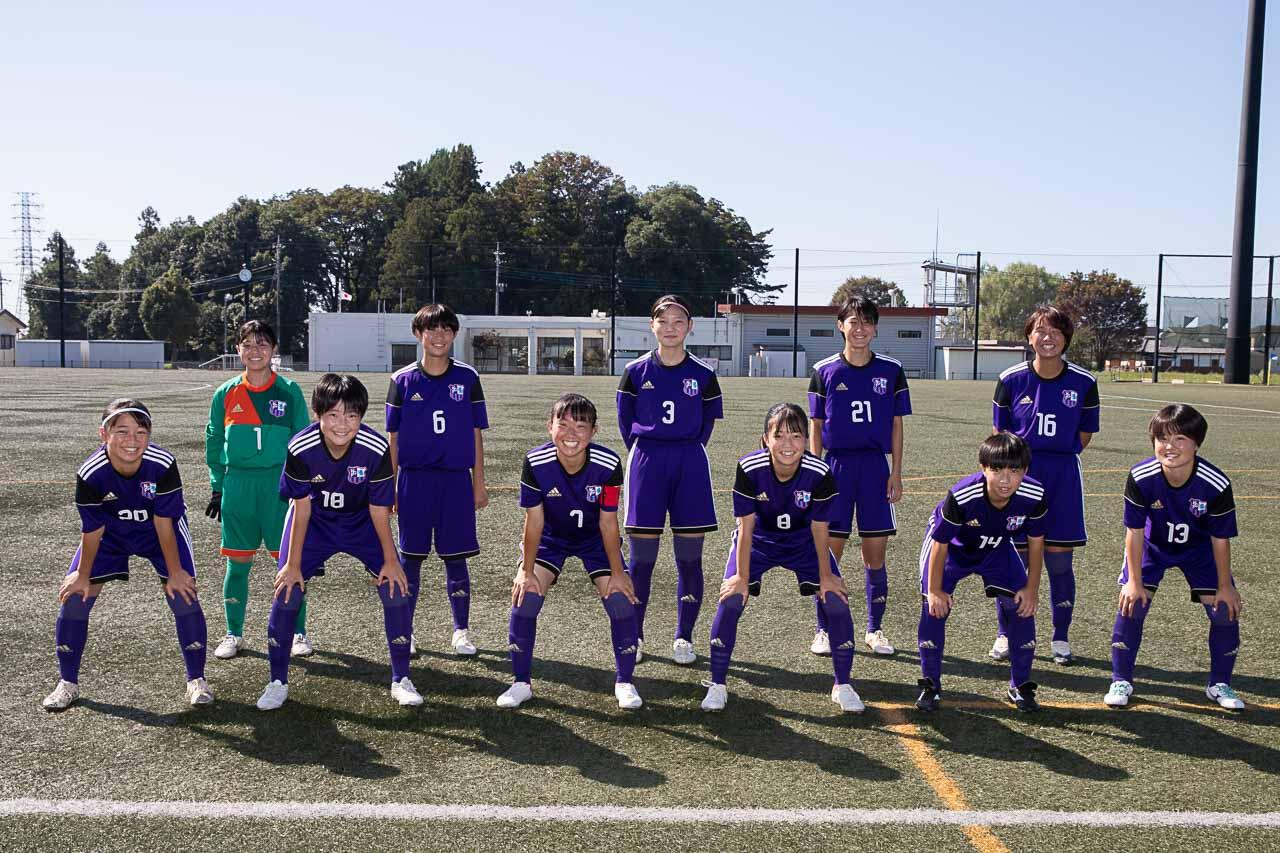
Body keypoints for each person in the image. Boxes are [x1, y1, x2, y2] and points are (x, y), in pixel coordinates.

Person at [256, 374, 414, 710]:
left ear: (361, 417)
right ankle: (277, 681)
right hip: (314, 523)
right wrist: (293, 565)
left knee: (396, 586)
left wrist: (389, 560)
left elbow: (378, 508)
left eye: (351, 415)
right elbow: (301, 508)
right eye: (333, 415)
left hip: (361, 521)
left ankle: (401, 677)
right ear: (317, 413)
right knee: (287, 591)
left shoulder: (376, 448)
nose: (342, 424)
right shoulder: (301, 446)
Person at [43, 399, 212, 711]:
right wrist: (82, 575)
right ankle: (67, 682)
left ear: (149, 434)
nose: (132, 440)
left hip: (159, 531)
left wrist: (175, 572)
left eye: (140, 431)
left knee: (183, 592)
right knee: (75, 597)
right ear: (103, 434)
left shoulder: (162, 464)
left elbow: (164, 522)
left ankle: (197, 680)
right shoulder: (90, 473)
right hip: (110, 533)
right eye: (121, 431)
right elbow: (92, 529)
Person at [702, 403, 864, 713]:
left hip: (803, 541)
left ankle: (843, 684)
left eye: (796, 435)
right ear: (765, 439)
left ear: (806, 440)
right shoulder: (749, 468)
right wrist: (741, 577)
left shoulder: (820, 472)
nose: (788, 444)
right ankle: (718, 684)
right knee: (731, 600)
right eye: (779, 435)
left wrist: (826, 577)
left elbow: (820, 529)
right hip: (760, 540)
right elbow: (745, 527)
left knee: (836, 602)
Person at [499, 393, 643, 710]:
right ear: (549, 427)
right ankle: (521, 682)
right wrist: (525, 571)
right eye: (563, 424)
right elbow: (534, 521)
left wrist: (618, 574)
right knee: (526, 599)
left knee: (621, 602)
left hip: (594, 537)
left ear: (593, 431)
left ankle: (625, 682)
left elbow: (608, 524)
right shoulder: (536, 461)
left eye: (581, 426)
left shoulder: (608, 464)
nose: (571, 434)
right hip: (552, 536)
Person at [1105, 404, 1243, 710]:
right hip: (1153, 546)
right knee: (1133, 602)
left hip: (1200, 550)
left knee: (1224, 610)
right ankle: (1121, 679)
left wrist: (1225, 586)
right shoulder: (1141, 477)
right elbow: (1135, 532)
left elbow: (1220, 539)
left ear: (1196, 443)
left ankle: (1220, 684)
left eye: (1180, 439)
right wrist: (1133, 582)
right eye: (1162, 438)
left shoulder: (1215, 483)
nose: (1170, 447)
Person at [616, 294, 723, 665]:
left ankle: (684, 637)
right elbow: (624, 420)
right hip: (647, 460)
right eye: (664, 321)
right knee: (641, 560)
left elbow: (708, 422)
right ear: (653, 326)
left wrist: (685, 447)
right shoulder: (635, 372)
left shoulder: (705, 375)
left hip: (690, 461)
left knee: (689, 559)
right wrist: (647, 450)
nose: (671, 328)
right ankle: (636, 634)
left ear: (689, 327)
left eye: (679, 322)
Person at [989, 305, 1099, 665]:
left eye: (1055, 331)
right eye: (1040, 330)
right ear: (1029, 336)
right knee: (1014, 561)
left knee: (1059, 562)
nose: (1047, 337)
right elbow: (1000, 434)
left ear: (1066, 337)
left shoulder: (1084, 382)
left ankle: (1061, 638)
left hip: (1062, 478)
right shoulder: (1010, 380)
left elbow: (1084, 434)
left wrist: (1057, 456)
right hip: (1020, 479)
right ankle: (1007, 634)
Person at [806, 295, 910, 657]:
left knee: (874, 554)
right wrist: (814, 473)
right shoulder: (824, 371)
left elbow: (896, 425)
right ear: (841, 326)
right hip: (835, 467)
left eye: (866, 321)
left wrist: (895, 471)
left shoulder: (891, 371)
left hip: (874, 467)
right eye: (853, 321)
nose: (860, 328)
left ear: (876, 327)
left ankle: (875, 629)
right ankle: (823, 630)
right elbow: (816, 426)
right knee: (828, 553)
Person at [204, 320, 311, 660]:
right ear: (238, 349)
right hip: (239, 486)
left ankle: (298, 632)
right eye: (247, 344)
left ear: (273, 349)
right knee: (237, 565)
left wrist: (301, 487)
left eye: (262, 344)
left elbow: (304, 441)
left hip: (279, 488)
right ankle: (233, 632)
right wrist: (217, 488)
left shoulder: (289, 391)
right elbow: (213, 441)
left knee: (290, 562)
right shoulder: (225, 394)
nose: (255, 350)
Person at [917, 432, 1046, 714]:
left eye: (1014, 470)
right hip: (952, 550)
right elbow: (939, 543)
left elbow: (1036, 543)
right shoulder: (963, 495)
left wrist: (1032, 588)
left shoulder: (1034, 494)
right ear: (983, 468)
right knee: (934, 607)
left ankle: (1021, 685)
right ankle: (930, 684)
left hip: (996, 548)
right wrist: (935, 590)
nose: (1005, 479)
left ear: (1025, 471)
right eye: (997, 469)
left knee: (1022, 606)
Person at [386, 304, 488, 657]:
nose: (439, 335)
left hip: (456, 482)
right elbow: (393, 440)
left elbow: (476, 433)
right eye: (432, 329)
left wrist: (479, 482)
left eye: (446, 328)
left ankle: (461, 630)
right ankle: (406, 630)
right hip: (414, 482)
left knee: (456, 558)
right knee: (409, 560)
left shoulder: (468, 378)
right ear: (418, 334)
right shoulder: (401, 381)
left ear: (455, 334)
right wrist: (390, 486)